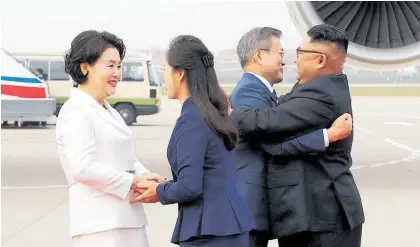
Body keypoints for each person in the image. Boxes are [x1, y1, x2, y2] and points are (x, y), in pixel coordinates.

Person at [230, 24, 364, 247]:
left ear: (320, 60)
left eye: (300, 53)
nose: (293, 60)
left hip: (323, 219)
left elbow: (268, 124)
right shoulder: (312, 89)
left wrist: (229, 114)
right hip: (313, 217)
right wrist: (326, 135)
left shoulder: (319, 93)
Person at [131, 35, 255, 247]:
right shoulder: (211, 113)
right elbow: (207, 175)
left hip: (210, 232)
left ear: (180, 74)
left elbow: (190, 187)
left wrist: (158, 193)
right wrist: (168, 186)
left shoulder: (192, 119)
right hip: (227, 226)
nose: (164, 78)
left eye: (166, 69)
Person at [55, 30, 166, 247]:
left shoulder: (108, 109)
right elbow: (82, 167)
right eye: (110, 65)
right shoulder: (76, 111)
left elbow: (123, 157)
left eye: (119, 66)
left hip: (126, 219)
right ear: (85, 67)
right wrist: (133, 181)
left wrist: (145, 175)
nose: (117, 73)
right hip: (100, 226)